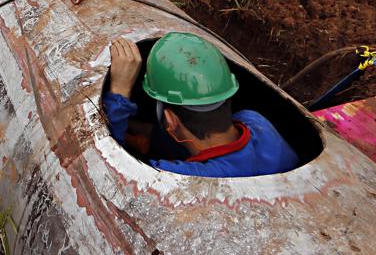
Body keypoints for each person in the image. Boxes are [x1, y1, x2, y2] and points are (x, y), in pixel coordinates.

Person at [102, 32, 300, 178]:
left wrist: (120, 91)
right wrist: (137, 127)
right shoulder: (257, 122)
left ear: (170, 119)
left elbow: (114, 172)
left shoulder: (181, 175)